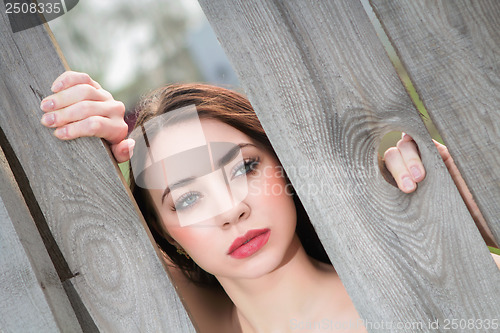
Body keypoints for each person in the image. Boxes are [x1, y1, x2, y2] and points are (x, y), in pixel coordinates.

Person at [40, 71, 499, 332]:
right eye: (188, 198)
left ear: (287, 168)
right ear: (163, 233)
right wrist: (89, 157)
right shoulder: (191, 322)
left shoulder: (434, 285)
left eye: (244, 168)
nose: (229, 209)